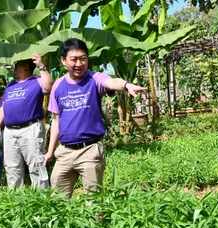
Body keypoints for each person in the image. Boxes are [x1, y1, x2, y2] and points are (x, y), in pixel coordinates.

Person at [45, 38, 147, 198]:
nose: (79, 63)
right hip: (64, 152)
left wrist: (127, 85)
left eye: (83, 58)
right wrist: (50, 151)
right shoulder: (58, 86)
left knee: (93, 203)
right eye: (74, 59)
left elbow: (112, 82)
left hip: (90, 151)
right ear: (63, 61)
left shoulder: (95, 78)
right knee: (57, 201)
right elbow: (56, 121)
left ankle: (97, 224)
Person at [0, 53, 54, 189]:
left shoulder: (37, 80)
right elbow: (4, 106)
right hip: (9, 131)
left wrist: (41, 66)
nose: (14, 68)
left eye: (18, 65)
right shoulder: (10, 85)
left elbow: (50, 87)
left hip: (30, 128)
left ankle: (42, 197)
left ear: (26, 67)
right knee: (12, 166)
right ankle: (15, 199)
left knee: (36, 165)